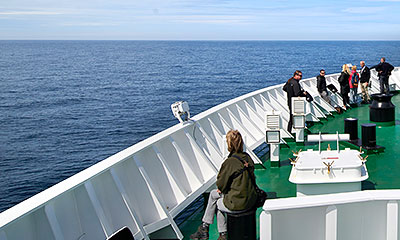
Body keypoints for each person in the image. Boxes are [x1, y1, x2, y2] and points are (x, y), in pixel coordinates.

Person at [190, 130, 257, 240]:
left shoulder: (229, 162)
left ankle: (212, 231)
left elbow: (221, 184)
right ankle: (210, 230)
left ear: (229, 144)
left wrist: (223, 189)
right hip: (251, 199)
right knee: (214, 195)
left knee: (215, 201)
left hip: (238, 203)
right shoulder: (247, 158)